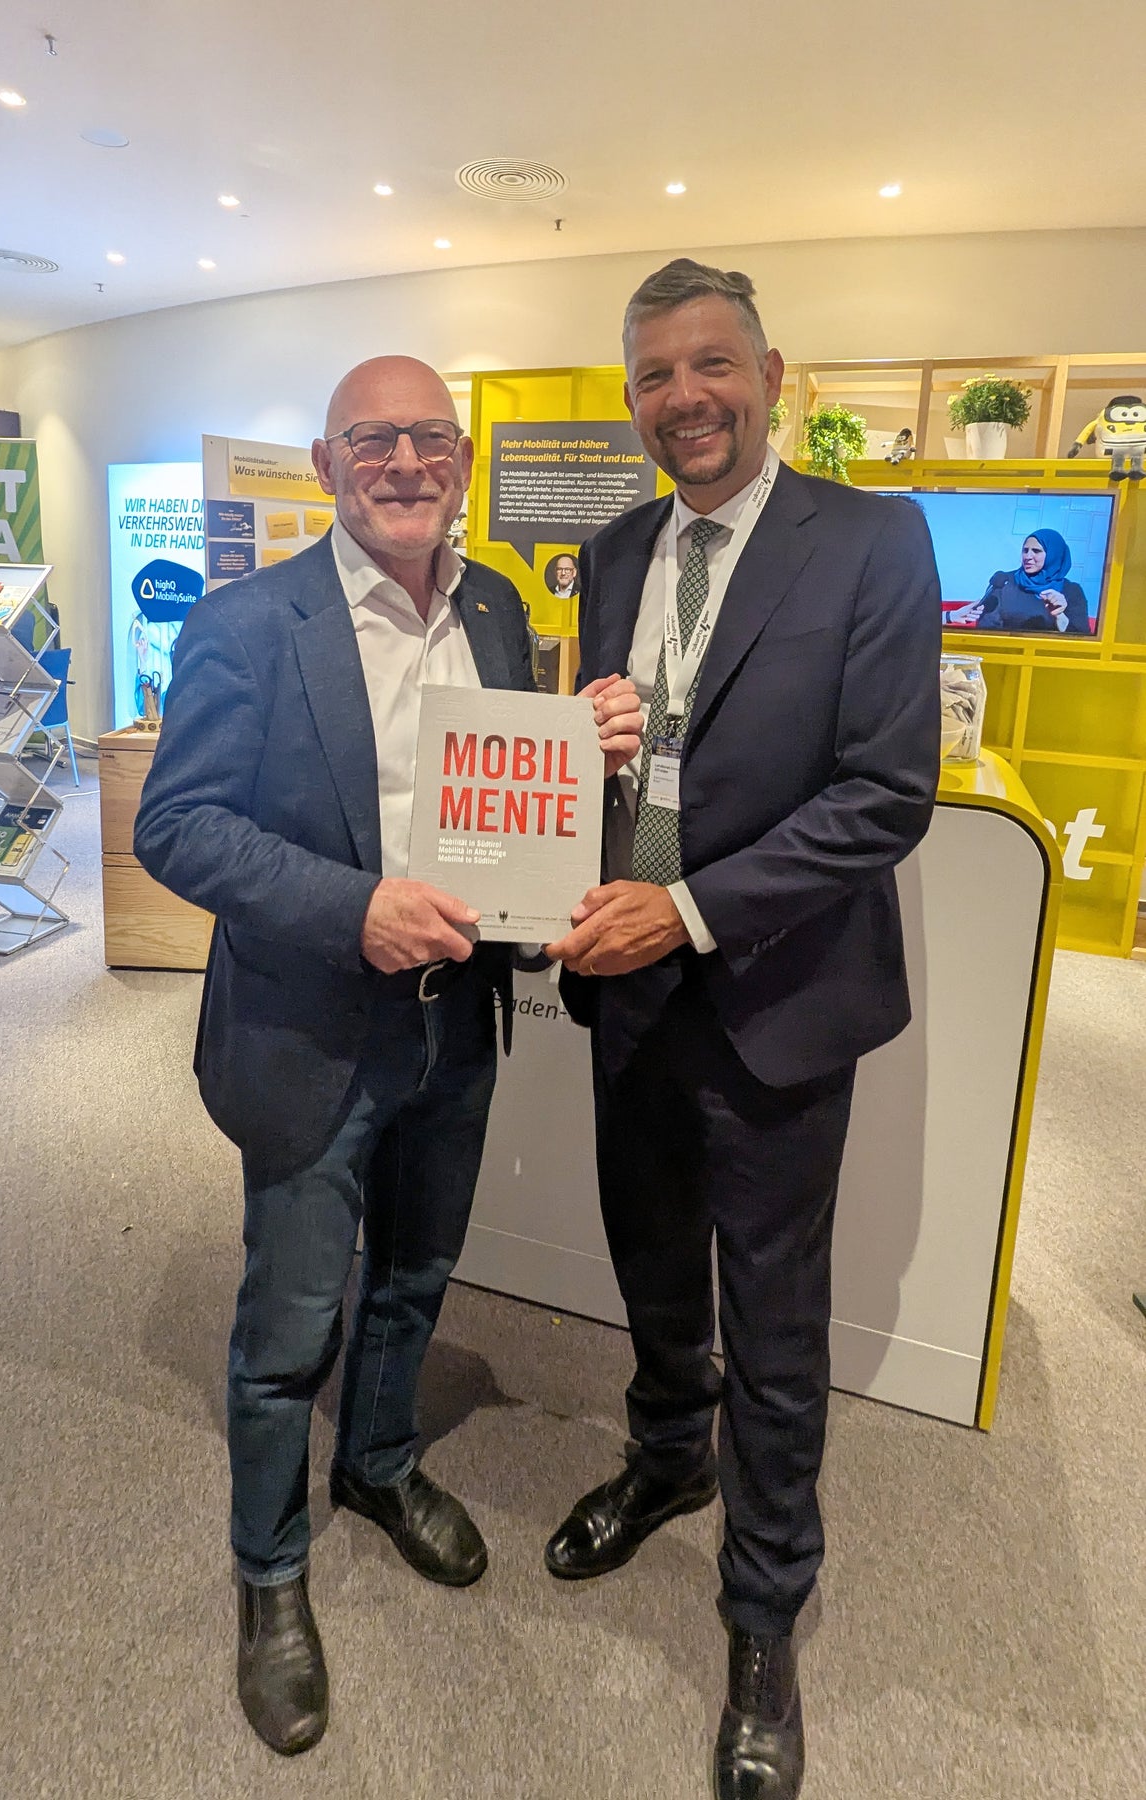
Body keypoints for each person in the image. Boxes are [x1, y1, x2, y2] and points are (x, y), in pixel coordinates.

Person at [133, 355, 642, 1758]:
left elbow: (508, 813)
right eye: (373, 442)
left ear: (462, 460)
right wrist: (348, 905)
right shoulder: (245, 623)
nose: (403, 463)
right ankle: (269, 1573)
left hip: (452, 1026)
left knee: (415, 1277)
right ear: (323, 462)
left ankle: (376, 1469)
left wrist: (582, 761)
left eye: (428, 440)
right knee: (286, 1324)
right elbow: (176, 826)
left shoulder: (496, 608)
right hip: (306, 1031)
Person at [543, 260, 942, 1800]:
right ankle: (662, 1463)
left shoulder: (872, 538)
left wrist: (691, 907)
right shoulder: (612, 547)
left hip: (773, 989)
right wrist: (579, 761)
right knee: (648, 1256)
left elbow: (882, 795)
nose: (682, 400)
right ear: (630, 394)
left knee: (772, 1314)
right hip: (626, 987)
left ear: (771, 372)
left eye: (709, 367)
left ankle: (763, 1610)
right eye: (652, 375)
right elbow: (604, 769)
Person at [946, 529, 1090, 633]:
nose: (1028, 556)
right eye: (1025, 550)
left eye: (1036, 551)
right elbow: (987, 629)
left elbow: (1081, 638)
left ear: (1054, 554)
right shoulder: (1004, 582)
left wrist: (1059, 615)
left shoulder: (1071, 591)